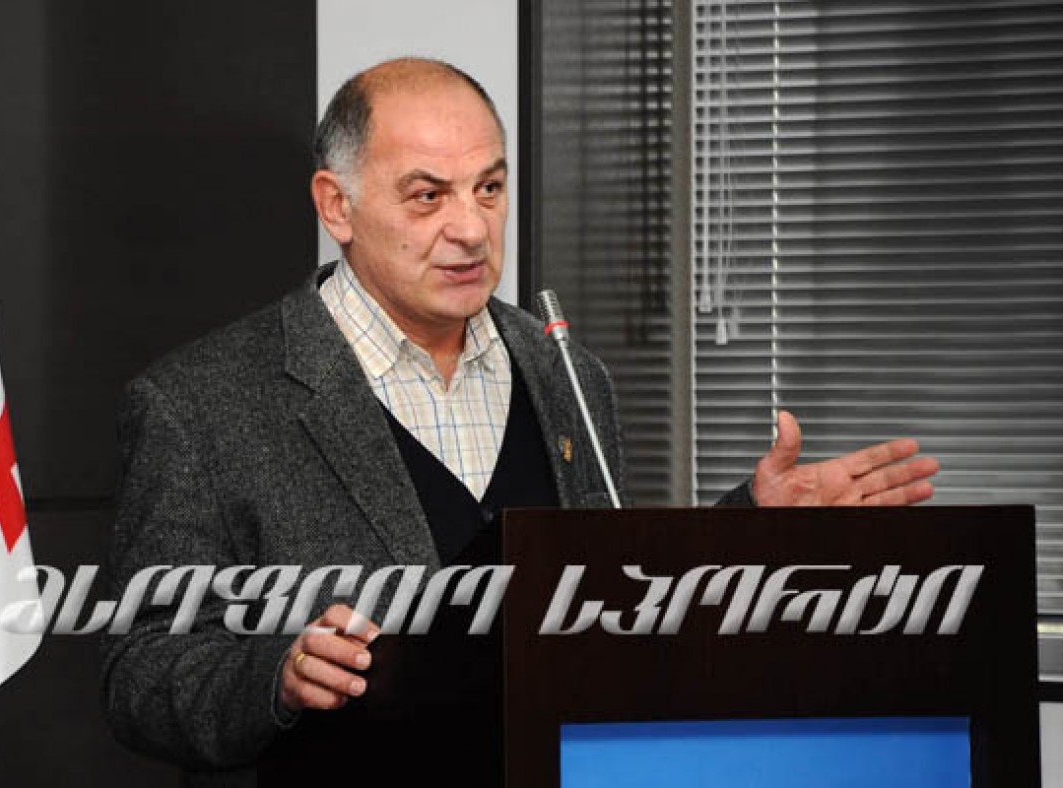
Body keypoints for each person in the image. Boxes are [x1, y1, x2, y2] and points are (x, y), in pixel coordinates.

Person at [100, 58, 939, 787]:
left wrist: (748, 527)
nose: (471, 229)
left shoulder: (567, 373)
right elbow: (141, 673)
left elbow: (604, 597)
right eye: (427, 196)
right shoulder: (198, 404)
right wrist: (276, 675)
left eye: (490, 188)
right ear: (337, 205)